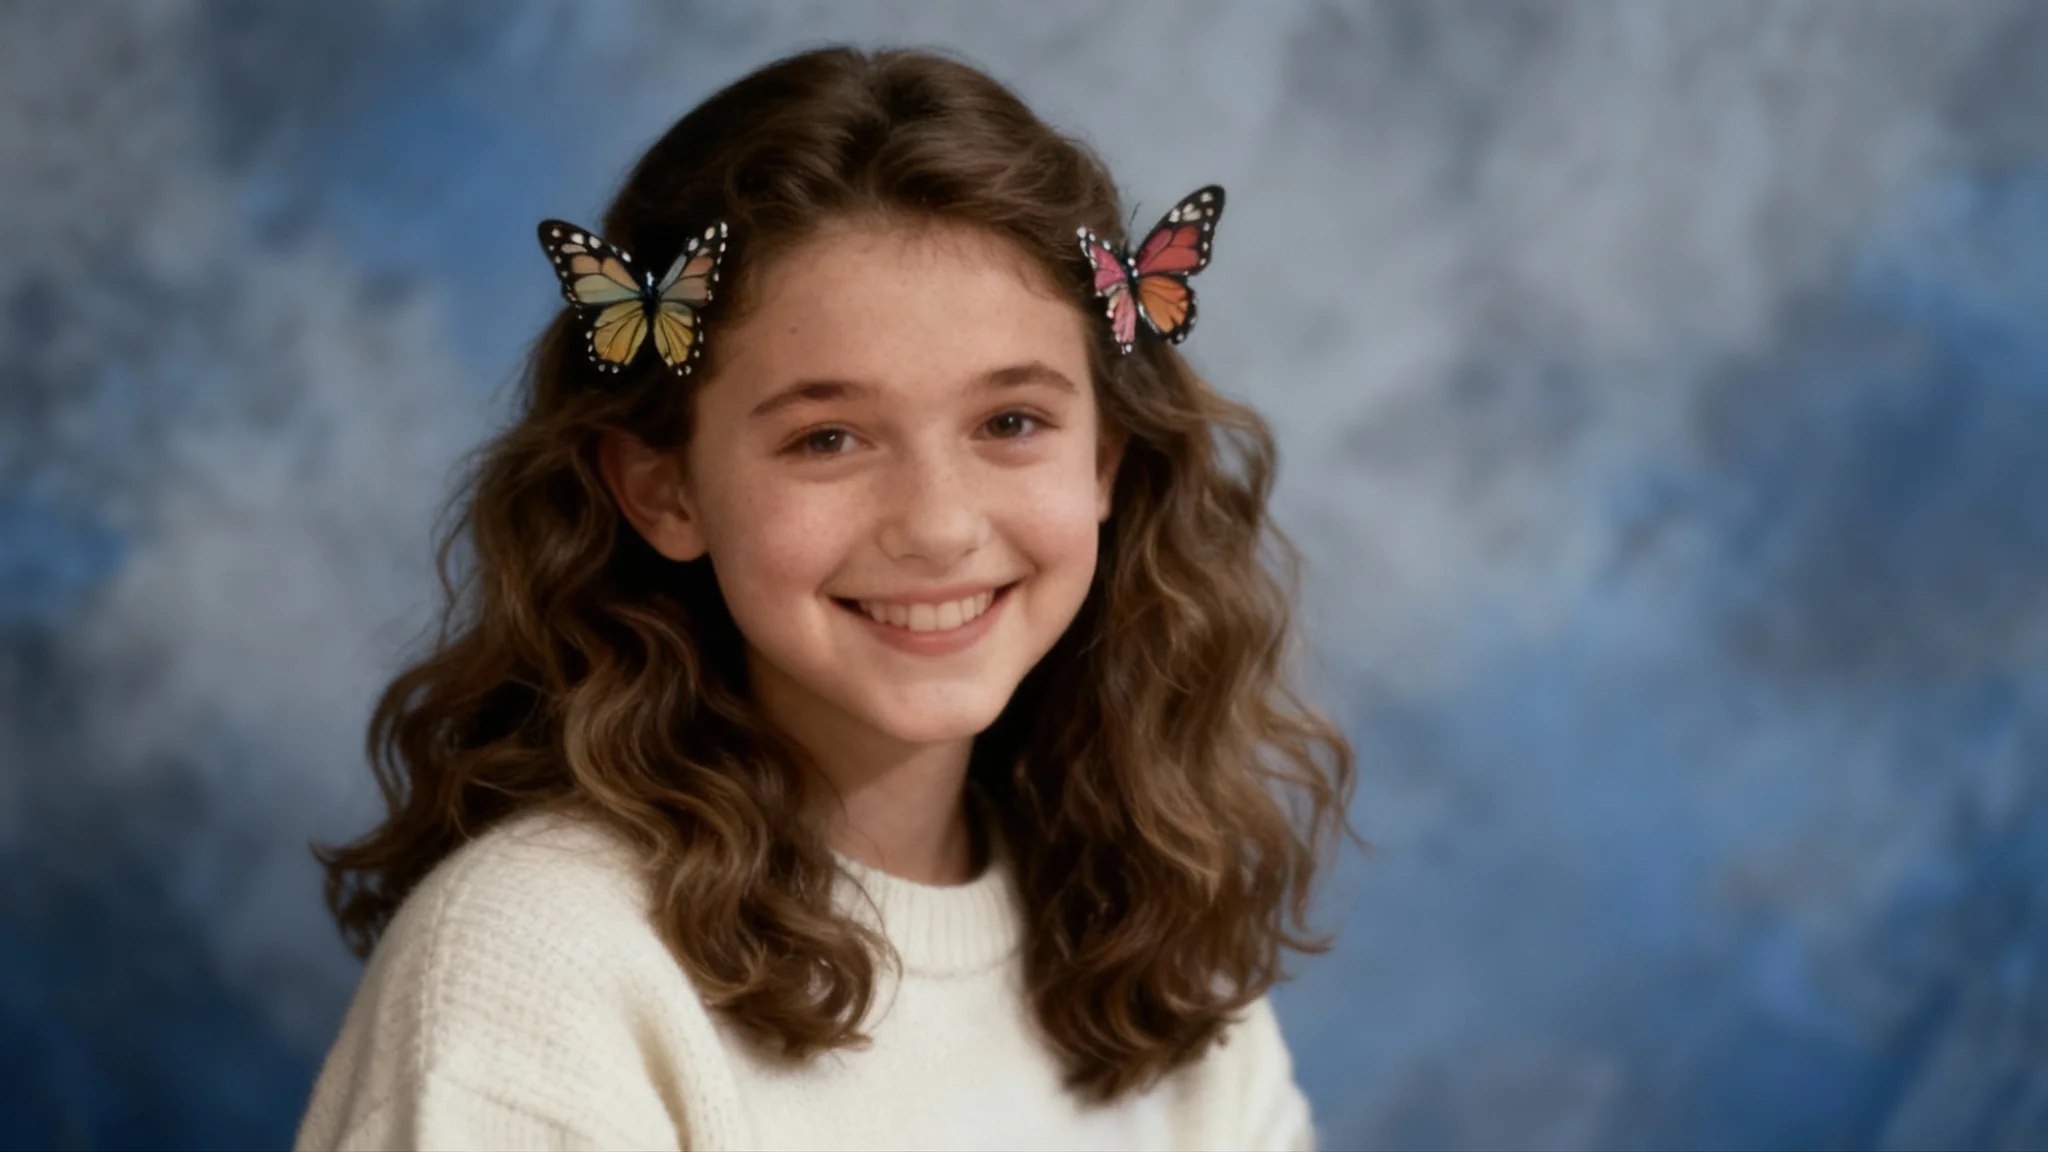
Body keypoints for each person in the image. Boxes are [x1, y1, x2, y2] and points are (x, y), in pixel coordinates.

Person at [293, 43, 1359, 1151]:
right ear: (663, 492)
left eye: (1010, 423)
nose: (939, 524)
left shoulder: (1166, 954)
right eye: (827, 438)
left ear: (1104, 462)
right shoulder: (537, 969)